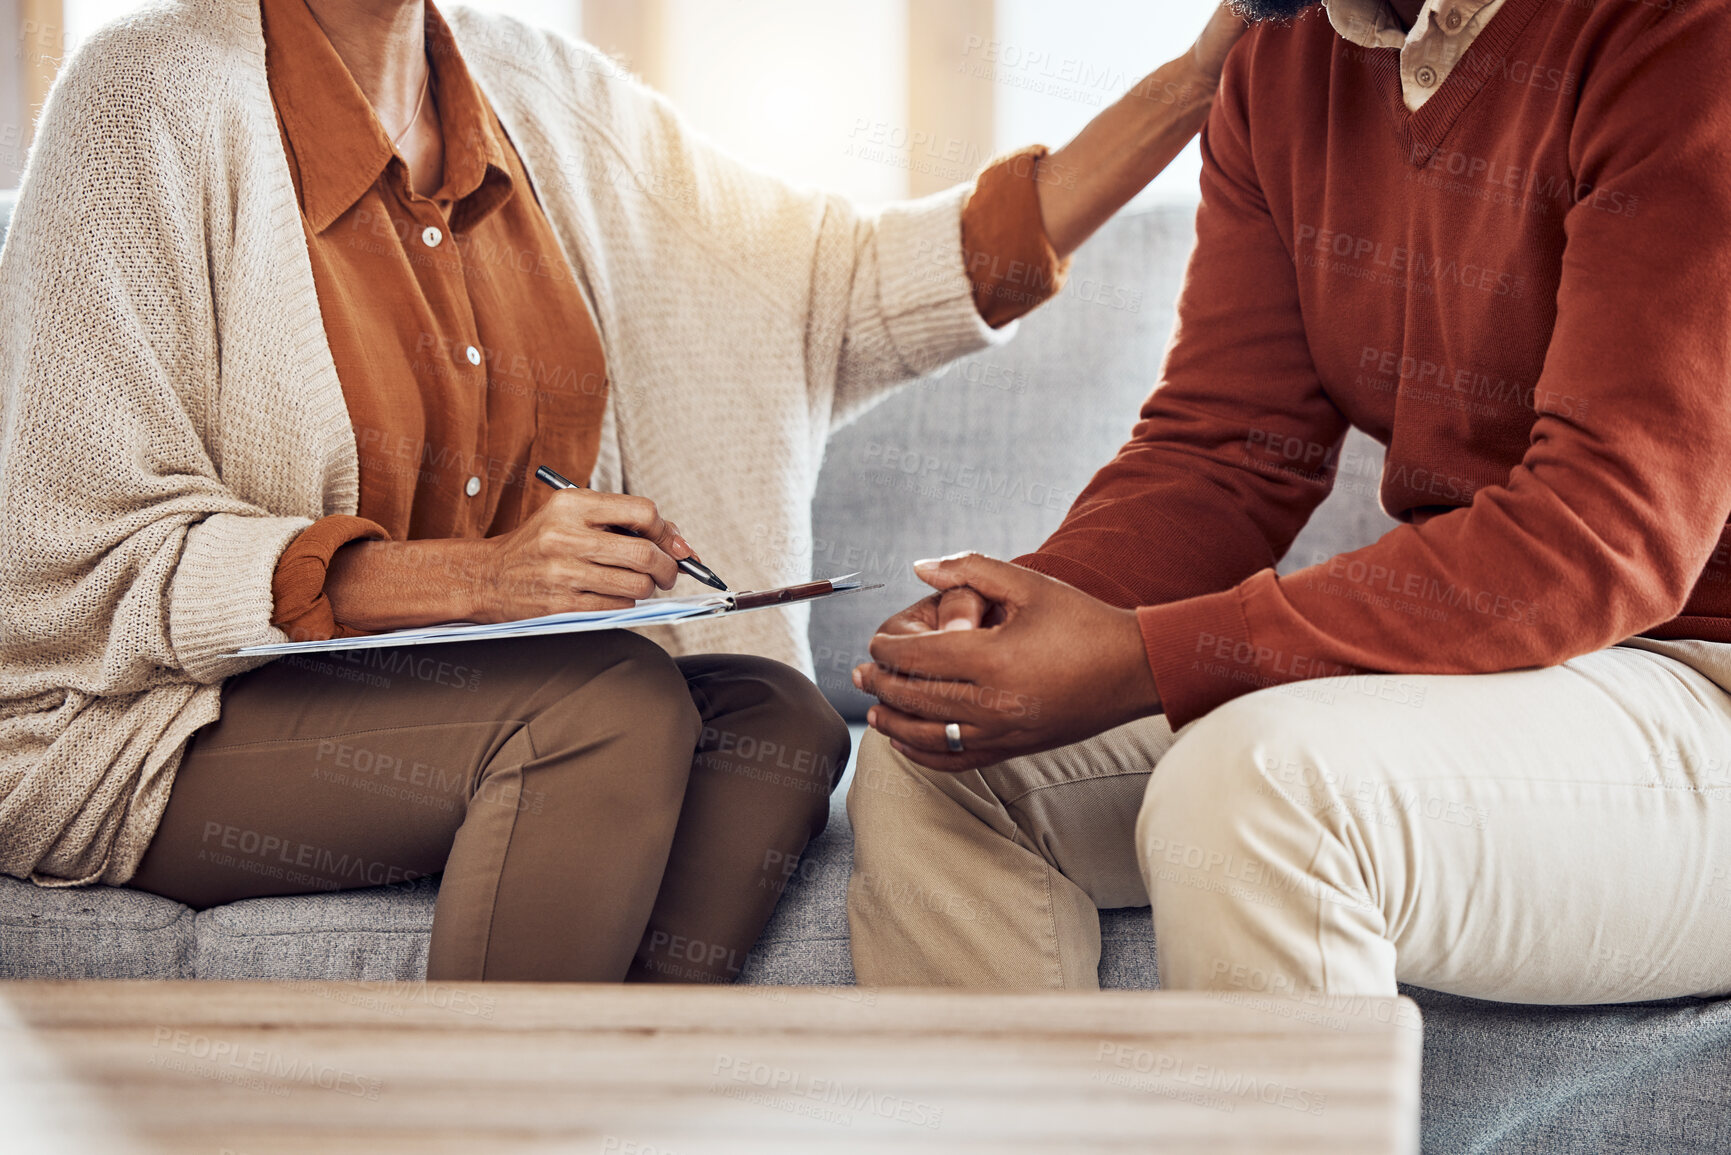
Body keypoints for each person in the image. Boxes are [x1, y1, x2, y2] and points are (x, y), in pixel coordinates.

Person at [0, 0, 1244, 983]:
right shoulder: (145, 98)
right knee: (607, 708)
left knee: (773, 717)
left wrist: (1196, 81)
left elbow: (844, 289)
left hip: (457, 702)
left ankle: (602, 1116)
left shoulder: (535, 97)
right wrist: (482, 577)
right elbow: (75, 550)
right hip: (147, 723)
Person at [849, 0, 1731, 1005]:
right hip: (1499, 670)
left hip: (1704, 680)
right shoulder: (1288, 50)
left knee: (1254, 788)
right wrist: (1020, 615)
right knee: (938, 752)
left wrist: (1144, 657)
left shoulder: (1683, 35)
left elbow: (1602, 534)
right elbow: (1227, 451)